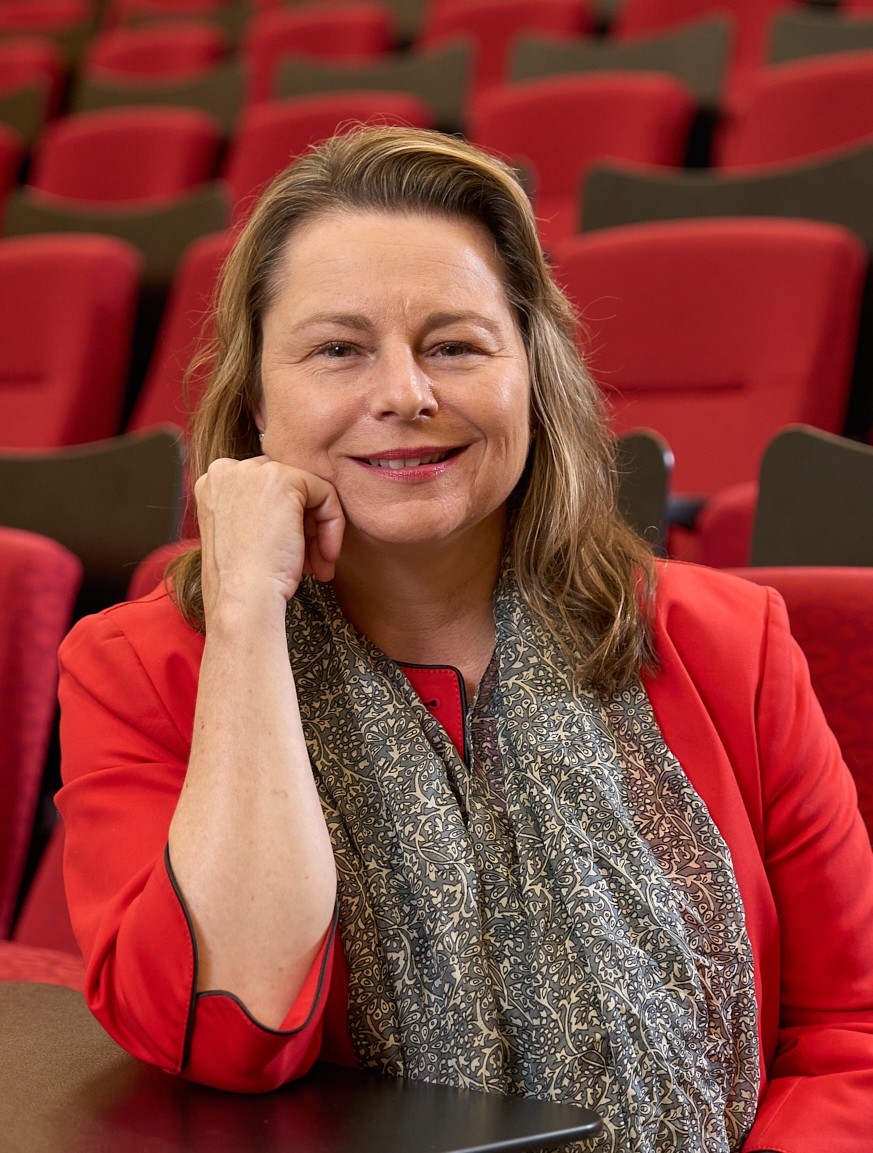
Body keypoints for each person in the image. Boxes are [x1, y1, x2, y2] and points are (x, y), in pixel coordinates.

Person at [57, 126, 873, 1153]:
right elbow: (226, 1030)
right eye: (338, 349)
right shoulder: (141, 669)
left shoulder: (729, 645)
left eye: (454, 345)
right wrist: (247, 617)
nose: (405, 393)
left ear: (530, 373)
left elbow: (849, 1031)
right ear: (258, 397)